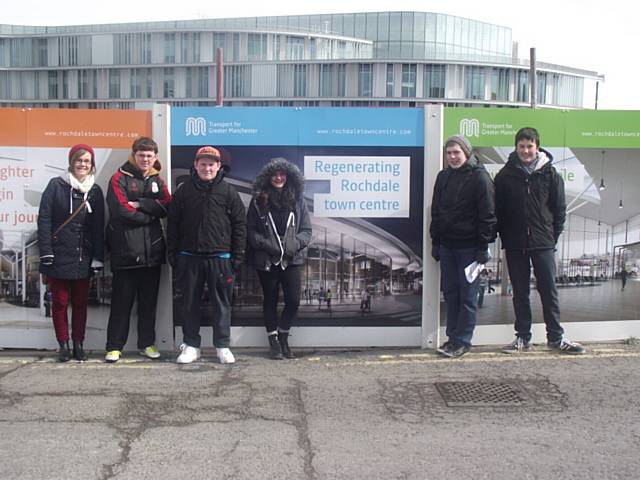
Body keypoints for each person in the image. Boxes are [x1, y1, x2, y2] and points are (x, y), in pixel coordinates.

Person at [495, 127, 585, 355]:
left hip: (543, 242)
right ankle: (522, 338)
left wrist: (550, 237)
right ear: (516, 147)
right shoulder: (504, 176)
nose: (526, 151)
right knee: (520, 293)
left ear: (537, 147)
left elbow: (559, 210)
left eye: (530, 146)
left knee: (549, 291)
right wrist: (507, 237)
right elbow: (499, 211)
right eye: (521, 146)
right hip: (515, 244)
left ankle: (555, 337)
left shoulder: (551, 175)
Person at [167, 146, 247, 364]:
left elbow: (240, 224)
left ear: (218, 166)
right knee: (189, 303)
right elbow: (172, 223)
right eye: (203, 164)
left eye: (211, 164)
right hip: (189, 257)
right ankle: (191, 346)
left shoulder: (228, 192)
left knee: (222, 304)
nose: (207, 168)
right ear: (196, 165)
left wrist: (237, 257)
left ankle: (222, 346)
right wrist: (172, 253)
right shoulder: (184, 191)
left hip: (220, 258)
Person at [104, 137, 171, 363]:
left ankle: (147, 344)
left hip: (152, 254)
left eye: (149, 155)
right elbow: (120, 210)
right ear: (134, 155)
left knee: (148, 305)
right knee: (121, 305)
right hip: (125, 253)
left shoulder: (157, 180)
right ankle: (114, 347)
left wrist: (141, 203)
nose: (145, 159)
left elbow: (168, 206)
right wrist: (150, 214)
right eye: (141, 155)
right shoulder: (118, 178)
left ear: (155, 157)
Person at [430, 135, 496, 358]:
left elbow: (487, 214)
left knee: (468, 297)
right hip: (448, 246)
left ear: (466, 153)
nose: (452, 157)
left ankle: (463, 341)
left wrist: (482, 245)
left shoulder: (480, 178)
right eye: (449, 153)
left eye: (456, 152)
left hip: (470, 248)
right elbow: (436, 211)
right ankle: (452, 338)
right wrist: (436, 241)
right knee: (451, 294)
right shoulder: (443, 177)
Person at [37, 144, 105, 362]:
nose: (82, 164)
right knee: (59, 303)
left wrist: (97, 257)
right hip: (58, 255)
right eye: (79, 160)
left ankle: (79, 344)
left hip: (82, 257)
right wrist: (46, 252)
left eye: (87, 161)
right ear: (71, 162)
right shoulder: (55, 186)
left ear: (92, 165)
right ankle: (63, 345)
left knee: (80, 304)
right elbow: (44, 219)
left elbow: (98, 227)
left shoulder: (95, 191)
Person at [247, 158, 312, 359]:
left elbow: (306, 231)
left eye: (282, 174)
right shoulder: (258, 200)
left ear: (289, 177)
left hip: (291, 259)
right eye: (274, 174)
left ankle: (283, 336)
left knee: (293, 301)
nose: (278, 178)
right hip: (267, 259)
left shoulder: (298, 200)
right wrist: (266, 244)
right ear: (268, 177)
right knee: (270, 301)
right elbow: (251, 230)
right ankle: (273, 342)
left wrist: (295, 244)